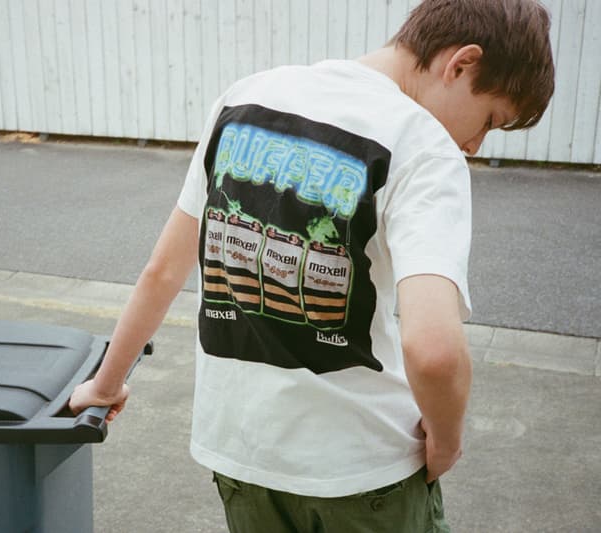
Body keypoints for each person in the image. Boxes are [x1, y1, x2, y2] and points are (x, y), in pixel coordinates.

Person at [69, 0, 555, 530]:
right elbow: (434, 350)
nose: (474, 145)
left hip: (242, 456)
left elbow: (162, 272)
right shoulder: (424, 146)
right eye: (490, 120)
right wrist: (446, 439)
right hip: (364, 471)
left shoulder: (245, 97)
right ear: (461, 63)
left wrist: (105, 386)